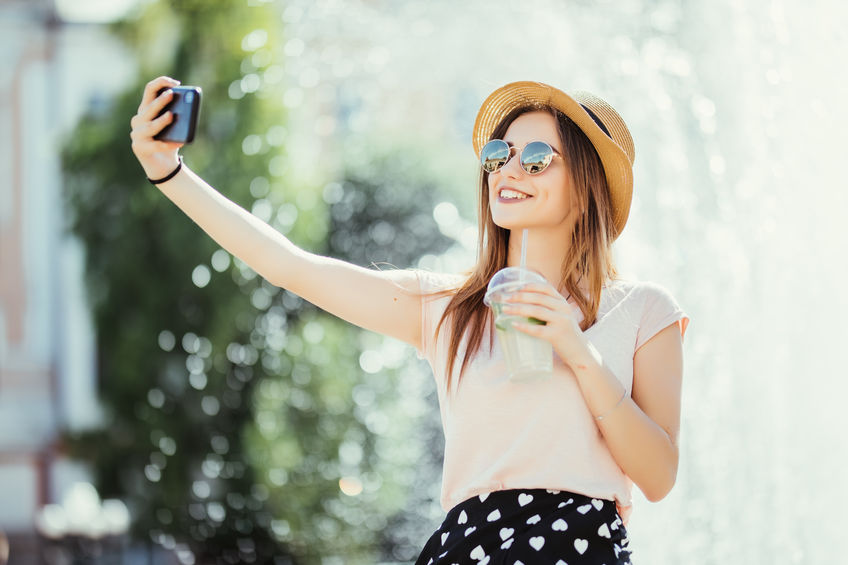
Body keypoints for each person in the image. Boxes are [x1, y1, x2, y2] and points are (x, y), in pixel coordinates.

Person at [131, 77, 688, 564]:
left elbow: (659, 476)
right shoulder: (450, 309)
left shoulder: (641, 310)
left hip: (580, 548)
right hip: (470, 547)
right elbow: (291, 268)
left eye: (537, 157)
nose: (508, 170)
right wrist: (169, 172)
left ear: (587, 186)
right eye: (499, 154)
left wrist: (576, 348)